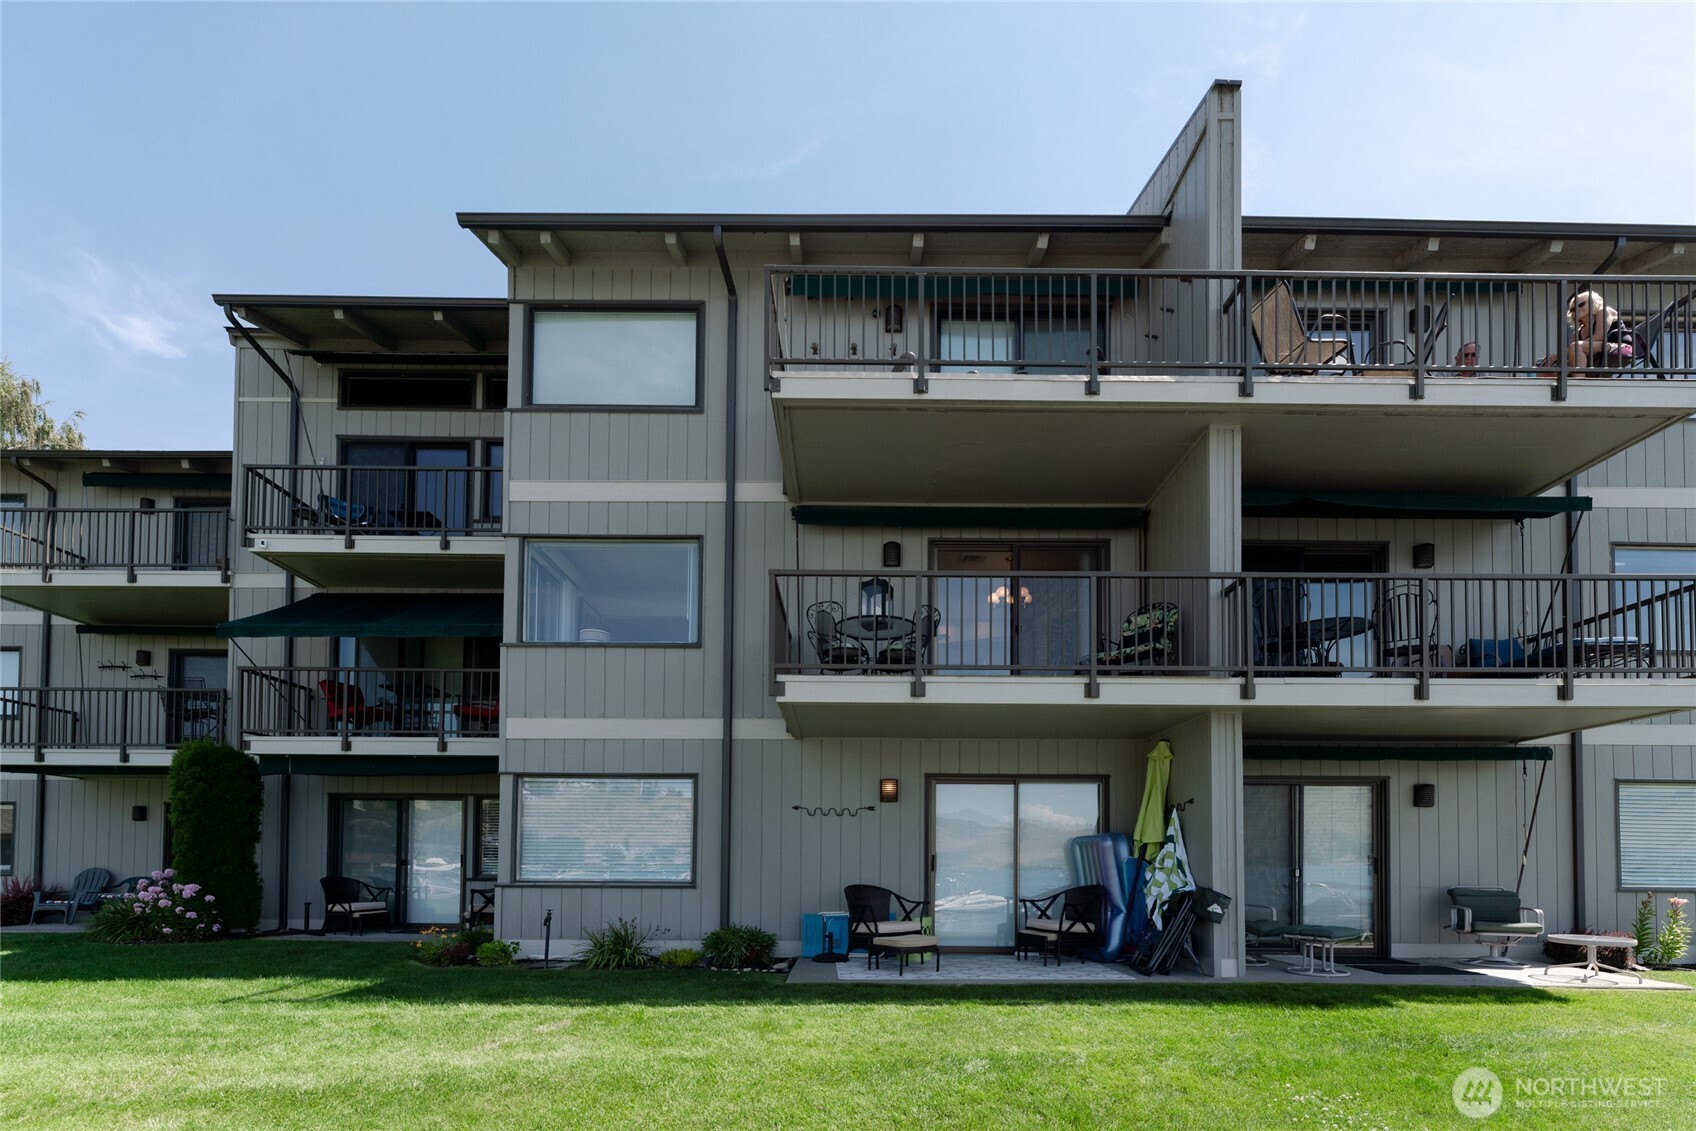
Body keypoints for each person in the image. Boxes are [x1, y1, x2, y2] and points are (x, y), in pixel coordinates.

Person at [1539, 290, 1644, 370]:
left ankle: (1578, 384)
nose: (1577, 309)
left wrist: (1558, 355)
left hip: (1621, 349)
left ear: (1593, 303)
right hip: (1597, 357)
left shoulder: (1604, 311)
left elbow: (1599, 336)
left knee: (1576, 346)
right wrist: (1553, 360)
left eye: (1581, 304)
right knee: (1547, 366)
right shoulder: (1577, 334)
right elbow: (1574, 356)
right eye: (1573, 309)